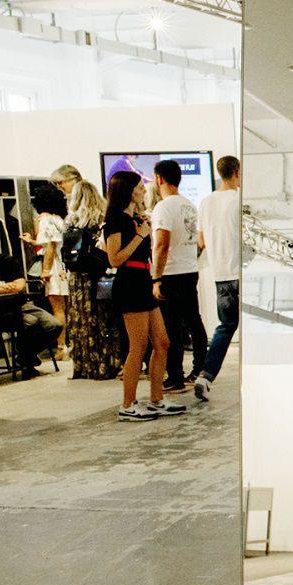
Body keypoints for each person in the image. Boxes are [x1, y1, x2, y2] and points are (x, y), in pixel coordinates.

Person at [103, 170, 181, 421]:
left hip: (142, 280)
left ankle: (156, 398)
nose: (144, 191)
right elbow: (115, 259)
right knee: (138, 346)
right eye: (139, 187)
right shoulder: (115, 219)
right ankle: (127, 405)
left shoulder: (135, 218)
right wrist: (140, 236)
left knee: (162, 342)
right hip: (129, 283)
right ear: (127, 191)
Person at [0, 236, 62, 380]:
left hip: (20, 305)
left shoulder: (8, 261)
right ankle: (27, 362)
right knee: (30, 322)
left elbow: (19, 287)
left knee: (54, 325)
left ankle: (25, 356)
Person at [151, 160, 207, 394]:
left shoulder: (163, 207)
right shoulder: (189, 205)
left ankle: (175, 377)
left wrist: (156, 278)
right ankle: (200, 370)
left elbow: (161, 245)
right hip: (190, 269)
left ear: (159, 179)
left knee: (171, 327)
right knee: (194, 321)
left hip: (171, 273)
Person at [194, 155, 242, 401]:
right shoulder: (239, 200)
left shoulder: (205, 202)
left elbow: (201, 241)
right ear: (237, 173)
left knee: (225, 326)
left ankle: (205, 376)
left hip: (220, 274)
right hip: (241, 272)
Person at [63, 180, 120, 381]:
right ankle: (105, 363)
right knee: (103, 318)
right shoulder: (102, 220)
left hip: (77, 278)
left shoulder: (71, 221)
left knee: (81, 320)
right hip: (100, 275)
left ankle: (83, 365)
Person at [28, 188, 69, 359]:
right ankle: (69, 345)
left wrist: (45, 270)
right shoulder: (60, 219)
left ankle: (61, 347)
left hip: (54, 266)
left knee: (57, 308)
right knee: (67, 308)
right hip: (64, 265)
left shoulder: (45, 219)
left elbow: (51, 246)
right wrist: (32, 241)